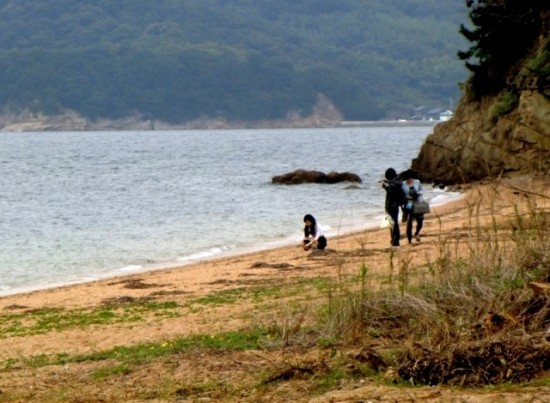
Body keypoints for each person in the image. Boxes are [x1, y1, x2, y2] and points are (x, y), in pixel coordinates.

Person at [381, 168, 406, 247]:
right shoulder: (398, 183)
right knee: (394, 223)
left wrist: (386, 208)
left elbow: (390, 196)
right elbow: (394, 193)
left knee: (393, 224)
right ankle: (395, 240)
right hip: (396, 207)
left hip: (390, 207)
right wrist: (385, 187)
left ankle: (395, 241)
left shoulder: (392, 185)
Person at [401, 172, 425, 243]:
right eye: (408, 179)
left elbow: (421, 191)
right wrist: (407, 197)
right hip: (408, 204)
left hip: (418, 202)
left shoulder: (417, 182)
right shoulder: (403, 184)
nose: (409, 180)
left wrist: (417, 193)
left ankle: (417, 233)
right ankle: (409, 240)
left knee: (420, 221)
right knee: (409, 222)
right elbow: (402, 195)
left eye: (410, 179)